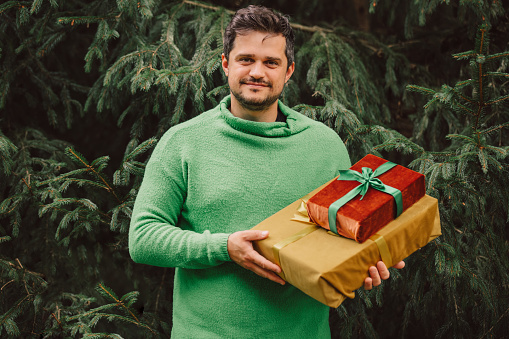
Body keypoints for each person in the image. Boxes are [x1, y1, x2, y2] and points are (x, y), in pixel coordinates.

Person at [129, 5, 405, 338]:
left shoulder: (324, 145)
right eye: (246, 59)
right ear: (226, 64)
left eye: (270, 62)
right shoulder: (184, 142)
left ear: (288, 71)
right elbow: (143, 238)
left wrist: (363, 263)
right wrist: (224, 247)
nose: (257, 72)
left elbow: (341, 238)